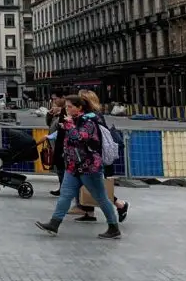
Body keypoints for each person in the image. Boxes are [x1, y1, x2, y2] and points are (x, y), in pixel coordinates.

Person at [36, 94, 121, 239]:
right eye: (66, 107)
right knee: (65, 194)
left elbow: (80, 138)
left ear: (79, 107)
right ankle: (54, 223)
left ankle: (113, 227)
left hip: (89, 167)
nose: (67, 110)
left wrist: (69, 126)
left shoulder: (89, 121)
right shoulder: (75, 120)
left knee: (101, 197)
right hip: (74, 166)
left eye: (70, 107)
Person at [73, 89, 129, 223]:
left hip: (95, 156)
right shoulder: (93, 115)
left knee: (95, 186)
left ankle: (119, 206)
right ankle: (89, 212)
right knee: (88, 184)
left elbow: (92, 137)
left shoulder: (91, 117)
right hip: (91, 155)